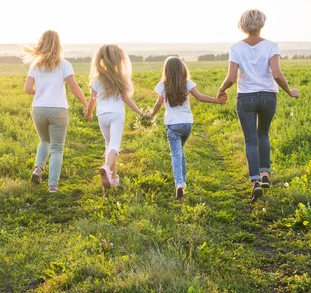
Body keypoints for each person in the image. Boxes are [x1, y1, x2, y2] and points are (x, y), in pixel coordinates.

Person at [217, 9, 299, 201]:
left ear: (243, 25)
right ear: (262, 24)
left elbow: (231, 78)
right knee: (263, 134)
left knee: (251, 140)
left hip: (246, 97)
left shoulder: (236, 48)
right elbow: (277, 74)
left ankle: (255, 182)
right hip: (268, 96)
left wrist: (221, 90)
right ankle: (265, 175)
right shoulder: (271, 46)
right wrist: (289, 91)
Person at [147, 56, 227, 199]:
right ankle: (183, 182)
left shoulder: (162, 85)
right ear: (182, 69)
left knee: (176, 154)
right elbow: (200, 97)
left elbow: (159, 103)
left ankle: (179, 184)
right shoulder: (187, 83)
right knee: (180, 151)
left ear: (166, 70)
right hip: (187, 124)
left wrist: (151, 115)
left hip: (172, 125)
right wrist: (217, 101)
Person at [23, 30, 88, 193]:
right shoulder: (64, 64)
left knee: (45, 140)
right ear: (58, 45)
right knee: (57, 148)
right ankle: (52, 185)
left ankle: (38, 169)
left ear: (41, 44)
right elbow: (73, 86)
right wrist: (86, 103)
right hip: (58, 110)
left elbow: (27, 89)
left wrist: (39, 91)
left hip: (39, 109)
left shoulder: (35, 66)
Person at [84, 44, 143, 189]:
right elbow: (126, 98)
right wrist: (141, 113)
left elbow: (93, 100)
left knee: (109, 144)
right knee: (114, 146)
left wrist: (89, 112)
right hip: (116, 114)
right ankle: (105, 167)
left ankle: (113, 178)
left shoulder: (96, 79)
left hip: (102, 115)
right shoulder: (119, 78)